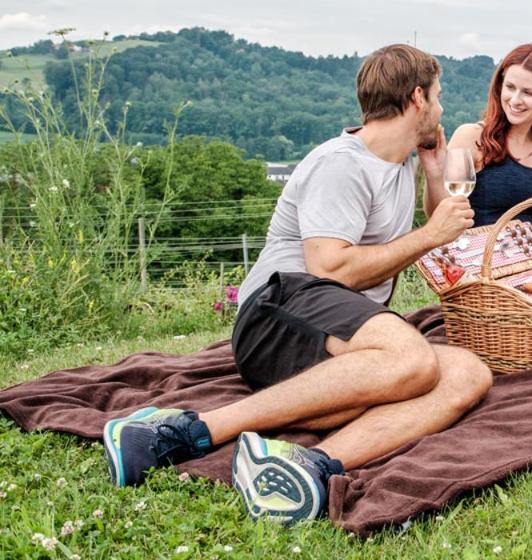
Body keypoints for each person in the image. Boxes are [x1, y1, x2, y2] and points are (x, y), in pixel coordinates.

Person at [101, 44, 492, 525]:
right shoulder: (341, 164)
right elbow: (333, 269)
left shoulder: (401, 159)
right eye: (439, 96)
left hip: (333, 325)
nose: (443, 108)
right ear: (417, 98)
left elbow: (434, 231)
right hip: (278, 308)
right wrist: (430, 234)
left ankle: (311, 466)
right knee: (413, 359)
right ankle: (181, 432)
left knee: (468, 373)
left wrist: (434, 171)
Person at [423, 44, 532, 242]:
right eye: (510, 87)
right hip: (478, 264)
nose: (515, 100)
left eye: (528, 92)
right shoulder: (471, 137)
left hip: (528, 266)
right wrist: (434, 176)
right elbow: (437, 214)